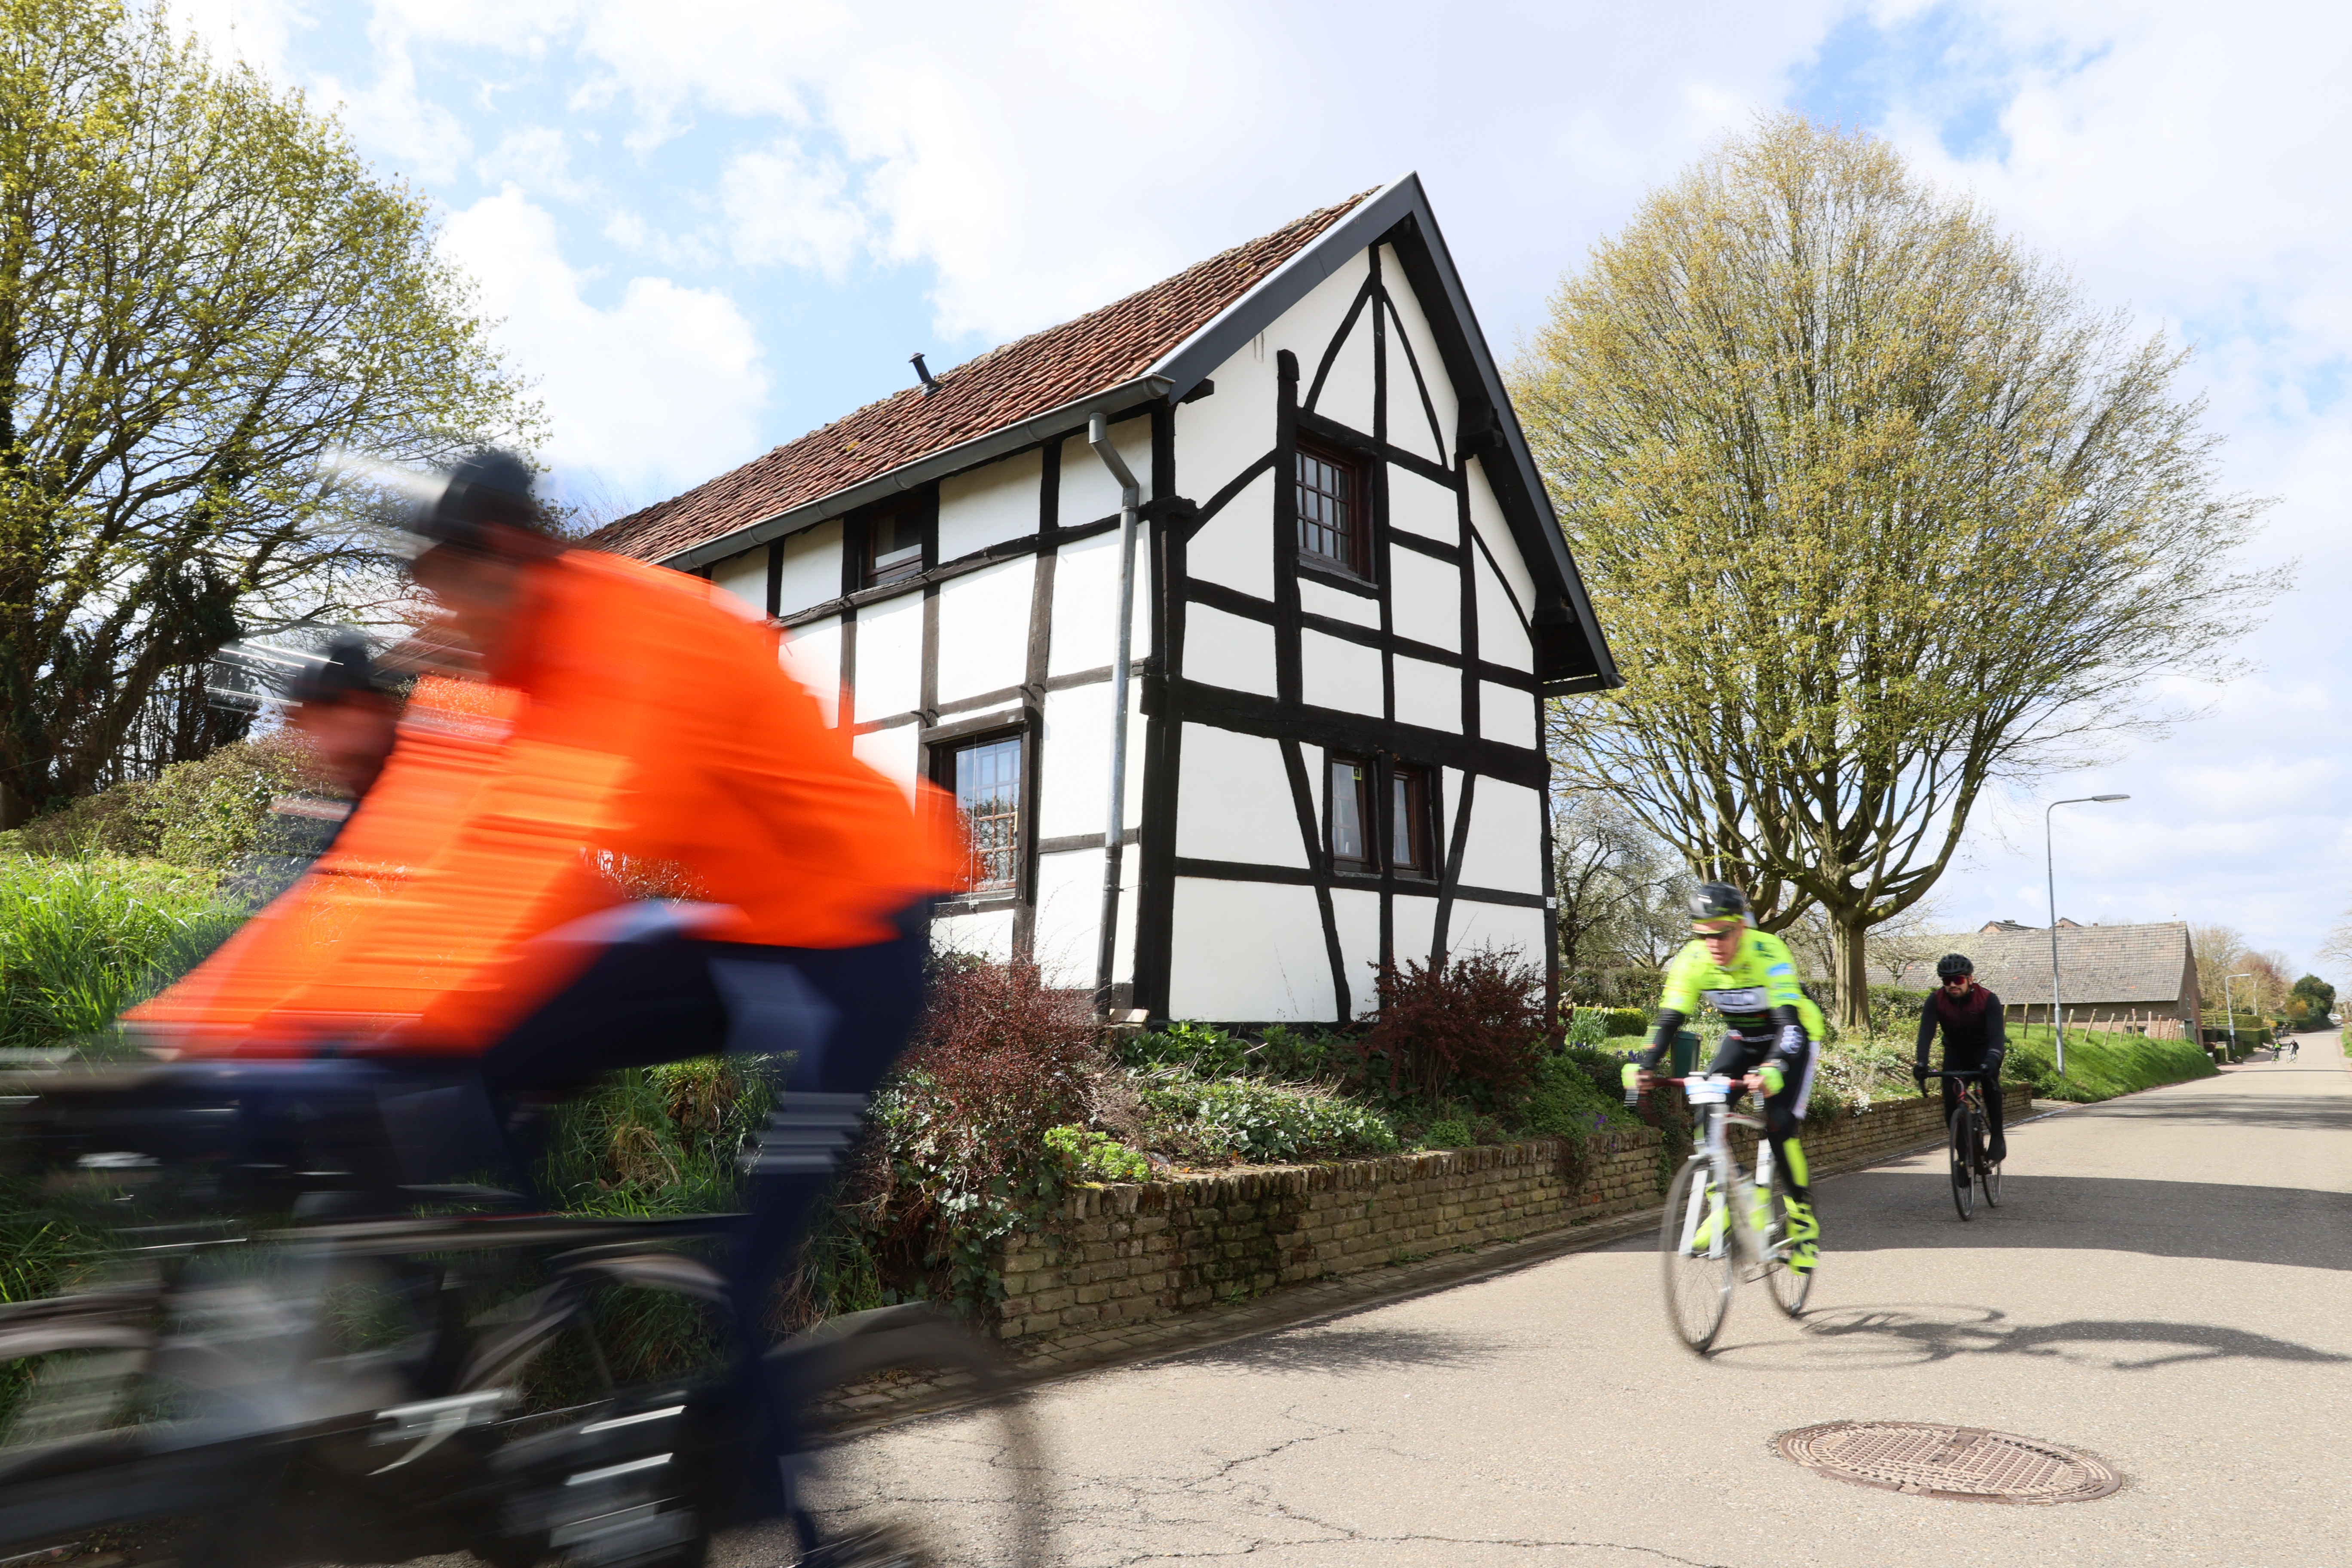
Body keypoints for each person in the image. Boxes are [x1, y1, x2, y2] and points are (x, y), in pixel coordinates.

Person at [127, 449, 967, 1523]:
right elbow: (377, 880)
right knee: (457, 1059)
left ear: (516, 562)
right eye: (424, 598)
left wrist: (356, 1044)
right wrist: (203, 1034)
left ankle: (813, 1537)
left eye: (450, 594)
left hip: (859, 945)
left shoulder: (639, 636)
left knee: (750, 1266)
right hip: (741, 934)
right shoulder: (485, 687)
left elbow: (540, 871)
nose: (440, 623)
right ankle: (535, 1313)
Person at [1625, 883, 1822, 1274]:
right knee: (1706, 1111)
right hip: (1743, 1038)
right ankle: (1731, 1200)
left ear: (1742, 928)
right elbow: (1668, 1021)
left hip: (1792, 1038)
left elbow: (1789, 1024)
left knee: (1780, 1125)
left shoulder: (1768, 951)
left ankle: (1804, 1225)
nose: (1713, 942)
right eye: (1703, 934)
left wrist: (1775, 1068)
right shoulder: (1692, 959)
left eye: (1722, 932)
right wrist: (1645, 1064)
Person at [1914, 952, 2007, 1172]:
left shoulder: (1988, 999)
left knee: (1991, 1083)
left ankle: (1998, 1137)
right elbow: (1925, 1034)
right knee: (1950, 1101)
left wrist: (1993, 1058)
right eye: (1947, 981)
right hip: (1956, 1051)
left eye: (1959, 980)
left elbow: (1997, 1036)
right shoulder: (1936, 1000)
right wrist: (1922, 1063)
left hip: (1984, 1049)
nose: (1953, 985)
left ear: (1970, 980)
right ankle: (1963, 1155)